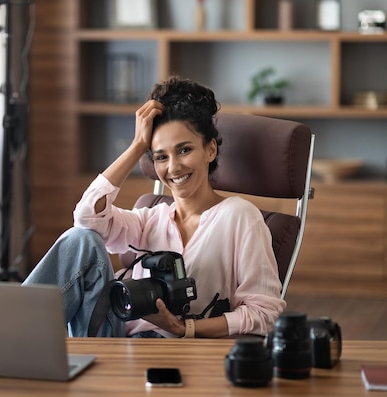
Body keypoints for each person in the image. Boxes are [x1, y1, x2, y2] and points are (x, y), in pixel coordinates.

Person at [23, 75, 286, 338]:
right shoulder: (149, 219)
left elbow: (263, 314)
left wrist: (184, 328)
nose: (173, 167)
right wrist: (137, 146)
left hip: (180, 350)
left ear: (210, 150)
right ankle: (10, 335)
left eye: (184, 150)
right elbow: (86, 218)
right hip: (119, 339)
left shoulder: (240, 216)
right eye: (161, 157)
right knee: (80, 239)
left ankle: (12, 340)